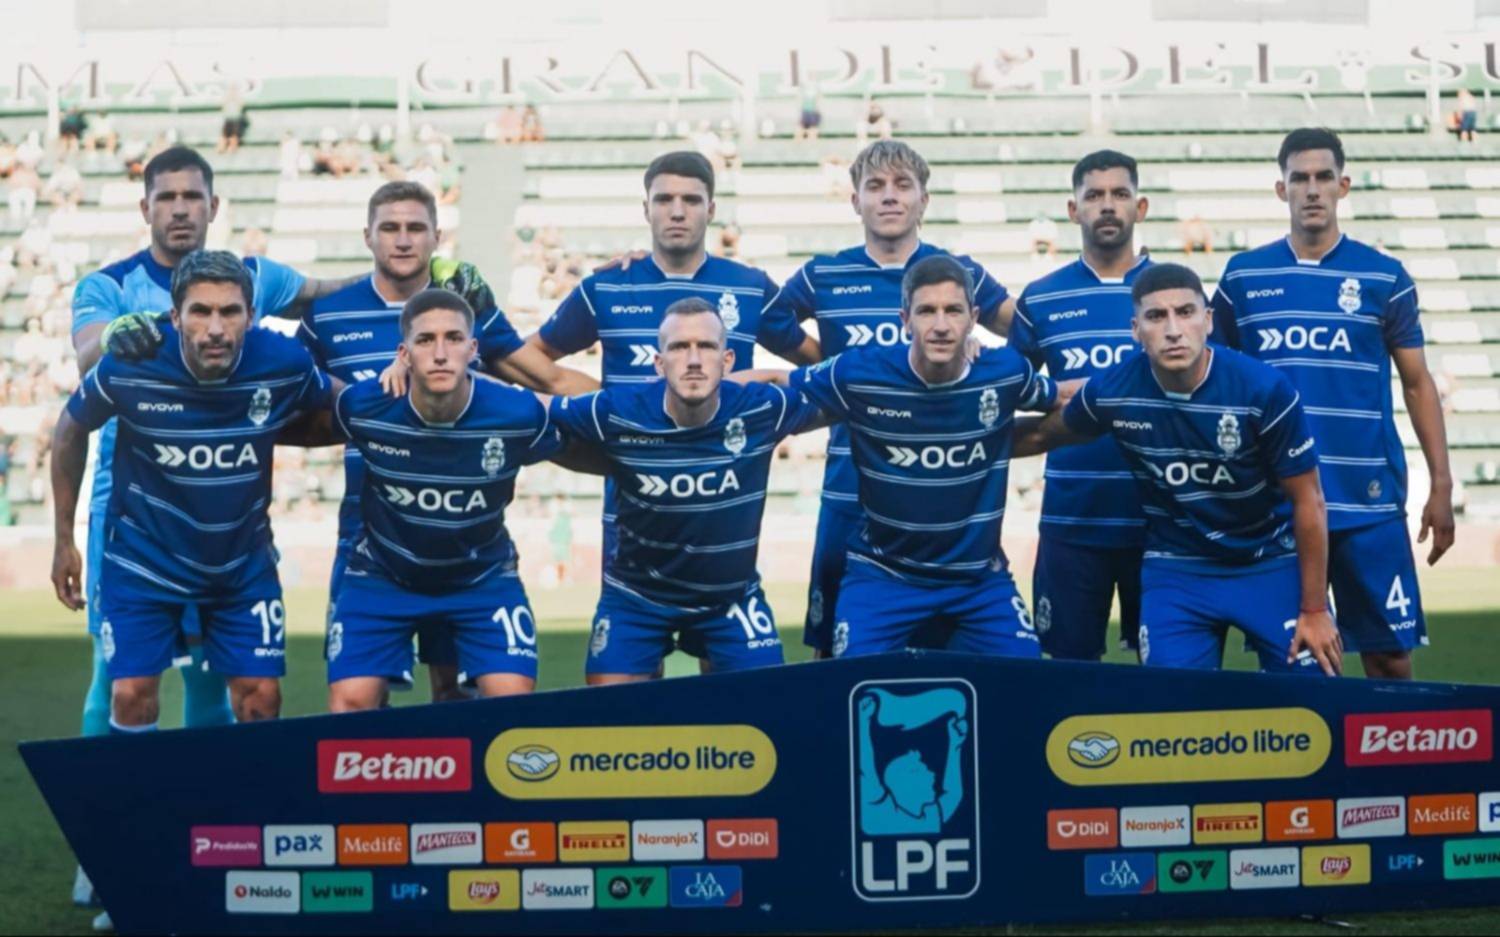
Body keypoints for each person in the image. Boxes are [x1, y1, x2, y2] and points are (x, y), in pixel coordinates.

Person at [291, 180, 597, 702]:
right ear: (367, 236)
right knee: (360, 699)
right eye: (390, 228)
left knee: (453, 693)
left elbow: (544, 379)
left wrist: (652, 409)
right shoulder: (328, 316)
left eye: (416, 228)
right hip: (367, 533)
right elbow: (296, 407)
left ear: (436, 237)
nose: (403, 240)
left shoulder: (469, 308)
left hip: (461, 535)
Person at [522, 151, 818, 664]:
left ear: (711, 209)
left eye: (690, 200)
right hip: (633, 511)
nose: (677, 211)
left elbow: (820, 366)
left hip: (722, 508)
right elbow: (532, 360)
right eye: (664, 200)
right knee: (631, 692)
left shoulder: (748, 287)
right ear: (646, 209)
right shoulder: (607, 287)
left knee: (733, 691)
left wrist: (759, 380)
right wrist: (605, 399)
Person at [50, 250, 333, 729]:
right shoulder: (132, 364)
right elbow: (70, 430)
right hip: (143, 563)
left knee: (261, 699)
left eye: (230, 312)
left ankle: (245, 783)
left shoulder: (283, 361)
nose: (216, 328)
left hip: (240, 566)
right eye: (201, 311)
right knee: (131, 695)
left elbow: (343, 410)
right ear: (175, 316)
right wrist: (63, 539)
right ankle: (133, 781)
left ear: (251, 315)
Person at [1209, 127, 1453, 681]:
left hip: (1368, 503)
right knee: (1297, 660)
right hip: (1278, 509)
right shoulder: (1243, 277)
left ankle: (1391, 745)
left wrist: (1441, 484)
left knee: (1389, 658)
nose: (1312, 189)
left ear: (1343, 186)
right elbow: (1216, 380)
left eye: (1324, 177)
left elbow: (1417, 384)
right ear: (1282, 190)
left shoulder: (1384, 277)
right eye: (1300, 178)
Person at [1016, 263, 1341, 676]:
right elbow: (1041, 436)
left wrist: (1314, 609)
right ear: (1135, 330)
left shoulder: (1264, 390)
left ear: (1208, 320)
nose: (1173, 330)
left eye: (1185, 312)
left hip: (1269, 559)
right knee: (1171, 699)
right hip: (1178, 566)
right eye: (1156, 316)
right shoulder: (1115, 390)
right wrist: (956, 432)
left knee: (1317, 688)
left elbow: (1309, 500)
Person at [763, 140, 1016, 658]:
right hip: (849, 485)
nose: (889, 196)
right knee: (837, 651)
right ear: (855, 201)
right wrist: (831, 368)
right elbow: (768, 322)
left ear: (924, 199)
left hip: (942, 493)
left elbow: (1030, 331)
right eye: (875, 186)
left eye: (903, 185)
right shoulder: (824, 274)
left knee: (955, 654)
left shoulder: (958, 274)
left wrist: (979, 356)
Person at [752, 255, 1058, 658]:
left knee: (1029, 679)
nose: (941, 325)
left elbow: (1066, 399)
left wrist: (1128, 390)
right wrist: (702, 395)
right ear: (905, 320)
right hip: (883, 576)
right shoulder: (861, 372)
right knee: (849, 682)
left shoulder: (1005, 371)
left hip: (978, 580)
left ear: (973, 318)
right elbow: (778, 380)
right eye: (926, 311)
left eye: (953, 311)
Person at [550, 297, 824, 683]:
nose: (693, 360)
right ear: (658, 363)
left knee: (768, 703)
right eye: (679, 347)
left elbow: (848, 398)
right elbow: (532, 410)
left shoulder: (762, 408)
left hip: (729, 597)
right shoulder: (617, 409)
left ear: (728, 360)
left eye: (706, 346)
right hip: (635, 598)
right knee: (607, 709)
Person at [320, 290, 566, 709]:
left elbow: (590, 435)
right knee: (351, 703)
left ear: (473, 349)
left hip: (481, 577)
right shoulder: (363, 407)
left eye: (453, 338)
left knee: (512, 702)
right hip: (383, 574)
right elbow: (299, 415)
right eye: (424, 340)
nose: (439, 354)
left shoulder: (519, 414)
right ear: (403, 353)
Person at [1007, 150, 1150, 662]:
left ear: (1141, 207)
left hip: (1161, 526)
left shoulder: (1175, 293)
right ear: (1074, 210)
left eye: (1120, 194)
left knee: (1169, 679)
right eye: (1094, 195)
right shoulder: (1042, 298)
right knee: (1068, 676)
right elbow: (1007, 388)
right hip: (1072, 523)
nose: (1107, 205)